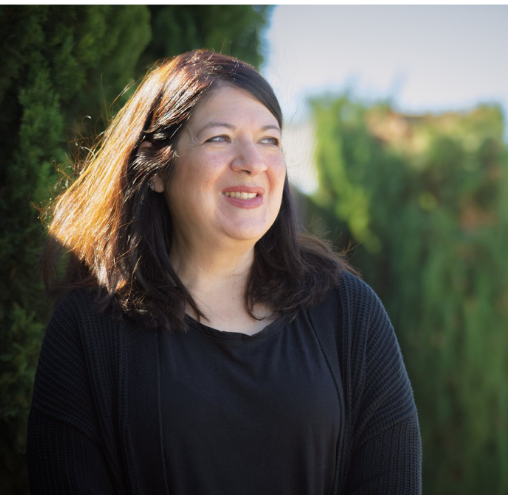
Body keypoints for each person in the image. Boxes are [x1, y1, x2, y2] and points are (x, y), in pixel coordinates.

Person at [27, 49, 421, 495]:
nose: (253, 162)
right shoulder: (88, 330)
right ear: (155, 169)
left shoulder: (350, 314)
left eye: (269, 140)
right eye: (219, 138)